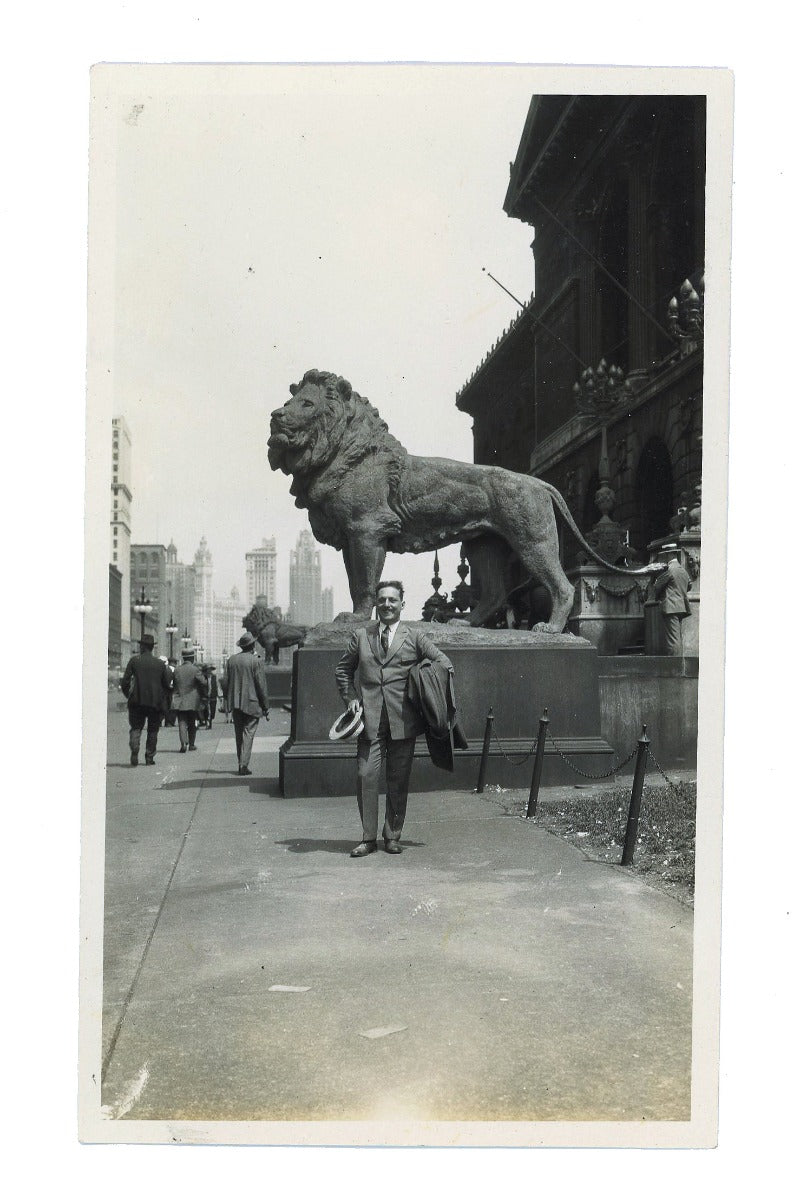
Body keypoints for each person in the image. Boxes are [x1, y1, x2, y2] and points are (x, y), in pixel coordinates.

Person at [335, 580, 454, 858]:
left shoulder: (414, 637)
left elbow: (444, 664)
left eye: (392, 600)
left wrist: (423, 684)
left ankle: (392, 836)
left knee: (398, 780)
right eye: (382, 600)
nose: (387, 604)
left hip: (404, 720)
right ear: (376, 604)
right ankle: (368, 838)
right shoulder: (361, 636)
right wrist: (350, 697)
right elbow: (342, 670)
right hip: (370, 720)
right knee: (366, 775)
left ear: (402, 604)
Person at [222, 631, 270, 776]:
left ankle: (240, 762)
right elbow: (261, 686)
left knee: (238, 734)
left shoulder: (231, 660)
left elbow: (225, 682)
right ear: (253, 645)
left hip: (236, 704)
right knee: (248, 734)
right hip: (252, 703)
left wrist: (227, 699)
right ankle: (243, 765)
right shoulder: (256, 661)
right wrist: (265, 706)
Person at [121, 633, 171, 766]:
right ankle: (149, 757)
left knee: (136, 727)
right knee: (153, 730)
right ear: (152, 647)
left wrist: (128, 695)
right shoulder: (160, 664)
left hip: (136, 701)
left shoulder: (134, 661)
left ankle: (135, 749)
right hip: (155, 703)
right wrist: (162, 697)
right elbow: (166, 684)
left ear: (142, 646)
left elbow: (125, 681)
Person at [652, 551, 692, 656]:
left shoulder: (670, 570)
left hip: (671, 607)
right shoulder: (683, 570)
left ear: (669, 555)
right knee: (677, 637)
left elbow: (657, 586)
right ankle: (679, 664)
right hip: (680, 607)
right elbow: (689, 585)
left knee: (672, 639)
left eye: (664, 555)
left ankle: (674, 667)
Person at [171, 646, 209, 753]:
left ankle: (183, 743)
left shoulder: (177, 670)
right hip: (193, 701)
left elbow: (174, 684)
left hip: (180, 701)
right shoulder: (195, 669)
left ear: (183, 658)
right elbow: (204, 683)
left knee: (182, 722)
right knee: (192, 722)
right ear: (192, 658)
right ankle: (191, 744)